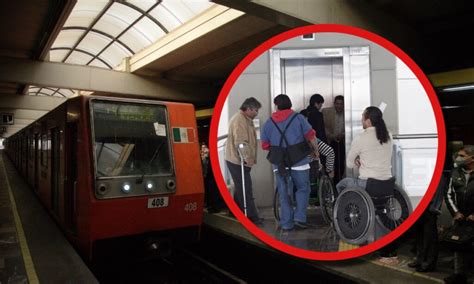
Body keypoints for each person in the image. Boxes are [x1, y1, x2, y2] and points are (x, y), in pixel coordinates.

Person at [261, 94, 319, 231]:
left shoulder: (269, 123)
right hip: (299, 160)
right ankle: (300, 218)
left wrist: (279, 149)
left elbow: (265, 145)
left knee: (284, 191)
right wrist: (315, 151)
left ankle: (286, 223)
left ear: (276, 106)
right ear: (290, 104)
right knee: (303, 188)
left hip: (280, 163)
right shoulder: (298, 118)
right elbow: (311, 136)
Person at [336, 106, 392, 193]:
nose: (361, 120)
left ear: (368, 121)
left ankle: (343, 206)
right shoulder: (389, 136)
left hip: (368, 184)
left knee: (342, 184)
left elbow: (349, 164)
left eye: (362, 117)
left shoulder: (360, 138)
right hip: (387, 183)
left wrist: (356, 161)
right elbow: (376, 153)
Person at [225, 97, 263, 225]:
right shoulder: (240, 120)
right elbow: (240, 142)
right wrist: (247, 157)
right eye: (255, 110)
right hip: (237, 160)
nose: (257, 113)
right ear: (248, 109)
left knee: (240, 186)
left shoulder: (246, 119)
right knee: (245, 188)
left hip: (237, 159)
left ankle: (234, 211)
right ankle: (252, 217)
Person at [443, 145, 474, 284]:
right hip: (460, 217)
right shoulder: (455, 172)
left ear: (472, 158)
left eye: (462, 156)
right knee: (458, 247)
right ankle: (459, 275)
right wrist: (455, 212)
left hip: (473, 217)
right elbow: (448, 194)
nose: (458, 158)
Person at [408, 175, 446, 272]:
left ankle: (429, 263)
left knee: (430, 238)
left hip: (429, 208)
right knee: (419, 236)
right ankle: (420, 259)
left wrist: (434, 208)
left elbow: (439, 191)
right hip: (418, 205)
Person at [322, 95, 345, 183]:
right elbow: (323, 127)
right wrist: (332, 136)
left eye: (341, 104)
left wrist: (342, 135)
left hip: (342, 141)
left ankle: (339, 181)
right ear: (334, 104)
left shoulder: (346, 113)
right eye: (337, 103)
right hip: (330, 140)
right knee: (330, 162)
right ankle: (330, 181)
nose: (339, 106)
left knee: (341, 162)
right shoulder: (326, 112)